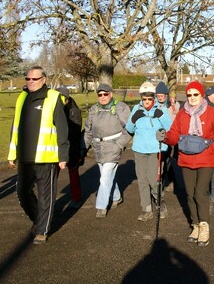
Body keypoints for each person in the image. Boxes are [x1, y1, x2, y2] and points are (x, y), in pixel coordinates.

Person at [157, 81, 214, 247]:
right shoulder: (182, 114)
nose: (191, 98)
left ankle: (204, 226)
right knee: (189, 194)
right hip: (186, 159)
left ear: (202, 95)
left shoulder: (212, 113)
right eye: (189, 95)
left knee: (199, 193)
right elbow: (174, 136)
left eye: (195, 94)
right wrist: (165, 137)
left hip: (207, 159)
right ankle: (195, 225)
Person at [8, 66, 69, 245]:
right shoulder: (22, 98)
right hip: (25, 156)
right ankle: (38, 218)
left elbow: (62, 128)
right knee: (22, 192)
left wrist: (63, 155)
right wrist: (12, 153)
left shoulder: (53, 98)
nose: (30, 82)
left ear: (43, 79)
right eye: (28, 79)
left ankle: (42, 230)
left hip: (46, 158)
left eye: (34, 79)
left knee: (45, 196)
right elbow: (15, 127)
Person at [126, 82, 173, 221]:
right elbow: (129, 129)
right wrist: (133, 119)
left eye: (149, 98)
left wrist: (161, 117)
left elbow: (170, 128)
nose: (146, 101)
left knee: (153, 180)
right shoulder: (136, 109)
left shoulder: (161, 110)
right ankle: (146, 209)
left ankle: (160, 202)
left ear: (154, 98)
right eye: (144, 98)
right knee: (142, 180)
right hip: (140, 149)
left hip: (155, 149)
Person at [83, 83, 131, 218]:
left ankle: (101, 207)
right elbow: (88, 130)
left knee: (104, 178)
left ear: (111, 94)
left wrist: (119, 145)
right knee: (108, 176)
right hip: (98, 147)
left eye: (105, 94)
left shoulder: (121, 107)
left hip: (113, 146)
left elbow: (129, 129)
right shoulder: (94, 109)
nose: (103, 97)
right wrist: (84, 147)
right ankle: (116, 197)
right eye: (100, 95)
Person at [56, 86, 83, 209]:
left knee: (73, 172)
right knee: (52, 174)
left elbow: (75, 129)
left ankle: (76, 198)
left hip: (71, 146)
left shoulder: (74, 110)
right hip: (56, 146)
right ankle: (49, 198)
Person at [155, 81, 180, 192]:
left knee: (165, 160)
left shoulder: (174, 105)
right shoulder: (154, 105)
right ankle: (167, 181)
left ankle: (169, 181)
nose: (160, 98)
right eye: (158, 96)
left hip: (169, 136)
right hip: (157, 136)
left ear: (166, 95)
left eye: (162, 96)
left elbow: (177, 119)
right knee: (161, 161)